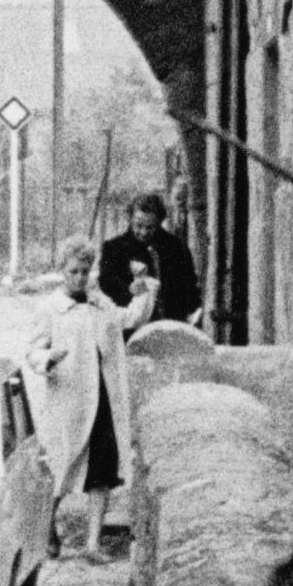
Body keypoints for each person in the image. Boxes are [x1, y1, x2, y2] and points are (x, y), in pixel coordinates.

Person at [26, 236, 156, 558]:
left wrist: (142, 291)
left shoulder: (100, 304)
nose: (81, 278)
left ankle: (92, 543)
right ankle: (46, 530)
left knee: (103, 469)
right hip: (69, 399)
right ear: (62, 270)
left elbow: (128, 319)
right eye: (74, 271)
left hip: (103, 397)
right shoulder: (51, 309)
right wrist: (48, 359)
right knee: (61, 464)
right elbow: (32, 352)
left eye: (86, 271)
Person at [99, 193, 203, 328]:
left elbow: (190, 286)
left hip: (172, 325)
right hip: (132, 327)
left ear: (160, 221)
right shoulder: (114, 248)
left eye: (150, 227)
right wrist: (128, 289)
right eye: (138, 226)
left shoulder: (177, 247)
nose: (143, 232)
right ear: (129, 219)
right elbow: (105, 282)